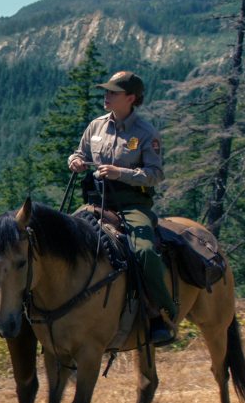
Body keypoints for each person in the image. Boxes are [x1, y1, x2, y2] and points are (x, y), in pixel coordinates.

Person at [68, 70, 177, 345]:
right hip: (96, 202)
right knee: (63, 241)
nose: (106, 96)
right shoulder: (96, 126)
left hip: (131, 204)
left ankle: (159, 313)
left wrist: (121, 173)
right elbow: (79, 152)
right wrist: (76, 161)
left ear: (131, 98)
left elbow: (155, 174)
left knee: (144, 252)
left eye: (113, 93)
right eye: (106, 91)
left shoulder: (146, 133)